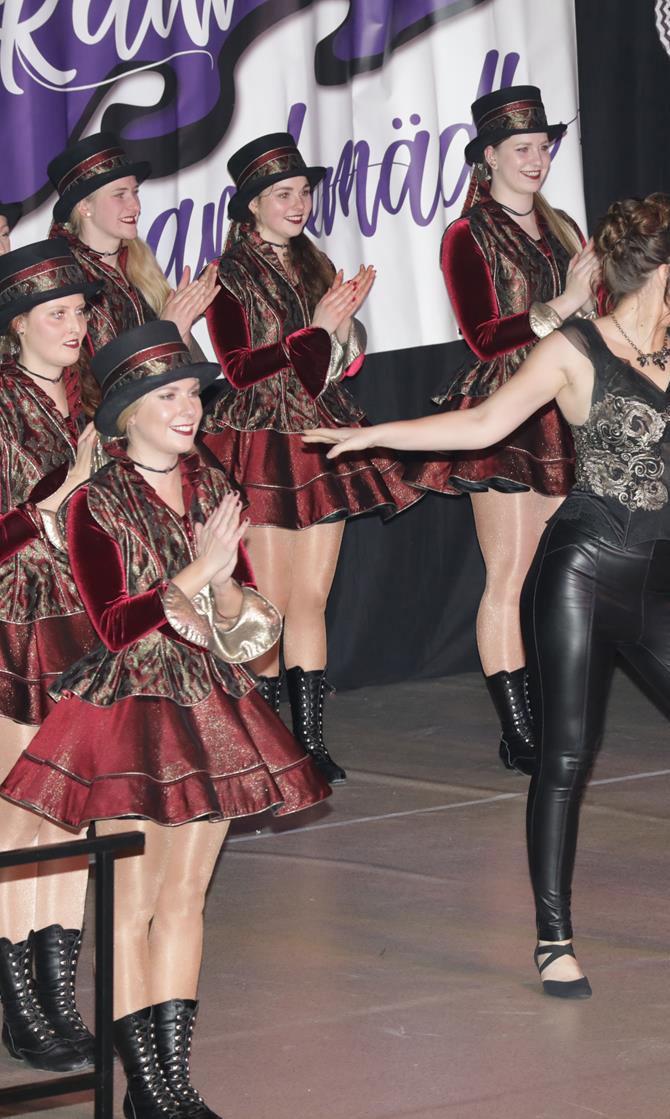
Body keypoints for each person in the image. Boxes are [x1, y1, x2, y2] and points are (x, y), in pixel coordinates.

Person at [307, 194, 670, 996]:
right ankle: (553, 936)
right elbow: (482, 425)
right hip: (582, 572)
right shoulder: (574, 348)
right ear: (662, 272)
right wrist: (377, 434)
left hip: (667, 588)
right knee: (566, 758)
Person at [1, 320, 331, 1119]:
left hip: (209, 705)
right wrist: (198, 572)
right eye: (169, 396)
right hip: (129, 715)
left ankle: (173, 1081)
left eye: (191, 394)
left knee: (187, 895)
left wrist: (224, 586)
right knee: (134, 902)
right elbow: (114, 625)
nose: (188, 409)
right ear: (126, 412)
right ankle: (143, 1082)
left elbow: (248, 626)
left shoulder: (213, 485)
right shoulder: (95, 501)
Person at [202, 132, 422, 784]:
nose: (298, 204)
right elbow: (238, 369)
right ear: (251, 205)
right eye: (282, 194)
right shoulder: (229, 273)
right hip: (261, 438)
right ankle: (265, 747)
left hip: (319, 432)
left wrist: (344, 329)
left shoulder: (316, 261)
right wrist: (318, 328)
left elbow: (341, 367)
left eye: (302, 192)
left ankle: (311, 745)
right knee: (268, 602)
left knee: (312, 597)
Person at [405, 87, 596, 776]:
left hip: (564, 402)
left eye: (543, 146)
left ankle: (550, 710)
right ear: (488, 157)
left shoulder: (563, 227)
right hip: (508, 409)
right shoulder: (467, 233)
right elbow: (483, 336)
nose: (536, 159)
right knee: (510, 573)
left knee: (558, 575)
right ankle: (519, 729)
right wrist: (564, 303)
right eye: (522, 148)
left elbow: (593, 316)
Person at [0, 240, 102, 1074]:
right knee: (20, 812)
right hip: (17, 621)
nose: (75, 326)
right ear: (16, 325)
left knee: (74, 810)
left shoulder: (90, 396)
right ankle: (20, 1005)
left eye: (80, 311)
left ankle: (59, 991)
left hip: (88, 619)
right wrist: (53, 504)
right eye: (56, 313)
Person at [46, 132, 217, 354]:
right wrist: (168, 331)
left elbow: (181, 367)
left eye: (135, 193)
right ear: (84, 206)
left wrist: (180, 330)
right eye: (120, 195)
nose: (136, 206)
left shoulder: (140, 264)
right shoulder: (65, 278)